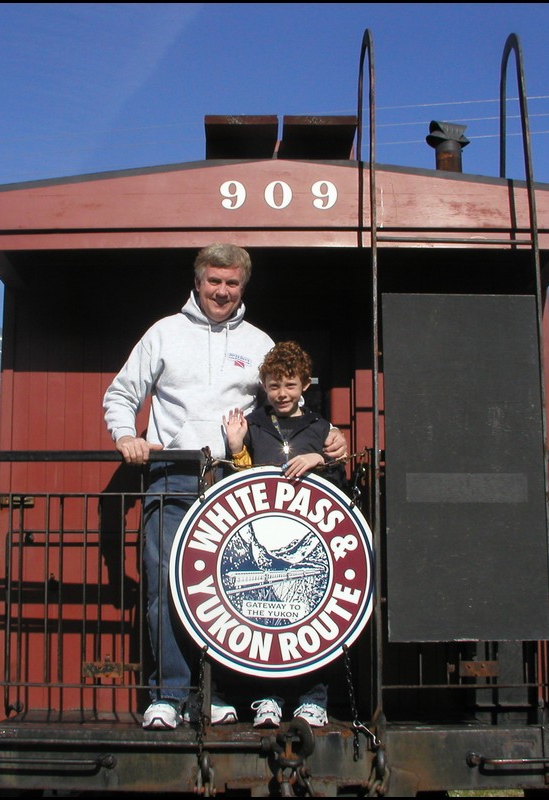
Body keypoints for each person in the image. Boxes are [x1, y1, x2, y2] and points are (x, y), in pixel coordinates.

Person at [103, 243, 346, 730]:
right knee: (167, 588)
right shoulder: (164, 334)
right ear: (198, 282)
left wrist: (328, 437)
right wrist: (127, 435)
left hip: (235, 482)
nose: (222, 291)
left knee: (234, 594)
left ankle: (223, 695)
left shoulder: (258, 342)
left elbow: (287, 404)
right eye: (214, 281)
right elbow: (122, 393)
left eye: (232, 283)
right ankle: (170, 697)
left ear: (242, 287)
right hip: (171, 477)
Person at [223, 341, 334, 728]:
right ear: (264, 387)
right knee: (266, 622)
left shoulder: (321, 427)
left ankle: (312, 699)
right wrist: (237, 447)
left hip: (309, 539)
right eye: (273, 386)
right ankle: (266, 698)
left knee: (312, 625)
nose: (281, 394)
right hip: (266, 535)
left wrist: (319, 458)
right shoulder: (253, 425)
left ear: (304, 384)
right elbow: (240, 480)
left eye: (289, 385)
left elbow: (337, 480)